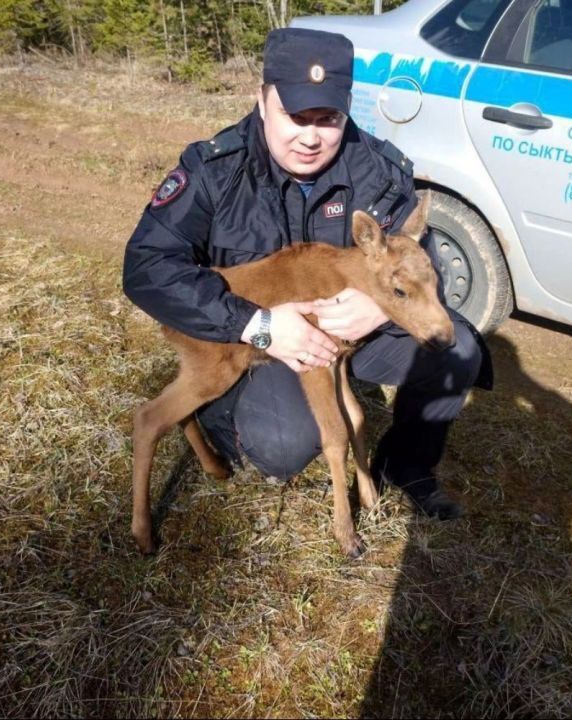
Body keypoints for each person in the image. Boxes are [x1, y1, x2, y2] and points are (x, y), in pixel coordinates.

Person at [123, 27, 491, 520]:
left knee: (457, 351)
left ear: (347, 109)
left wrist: (377, 307)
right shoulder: (215, 170)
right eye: (295, 116)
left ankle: (407, 464)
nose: (311, 136)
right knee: (284, 446)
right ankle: (222, 421)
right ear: (262, 100)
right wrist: (257, 324)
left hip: (353, 330)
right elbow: (147, 267)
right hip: (251, 337)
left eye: (328, 118)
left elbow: (417, 258)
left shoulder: (378, 169)